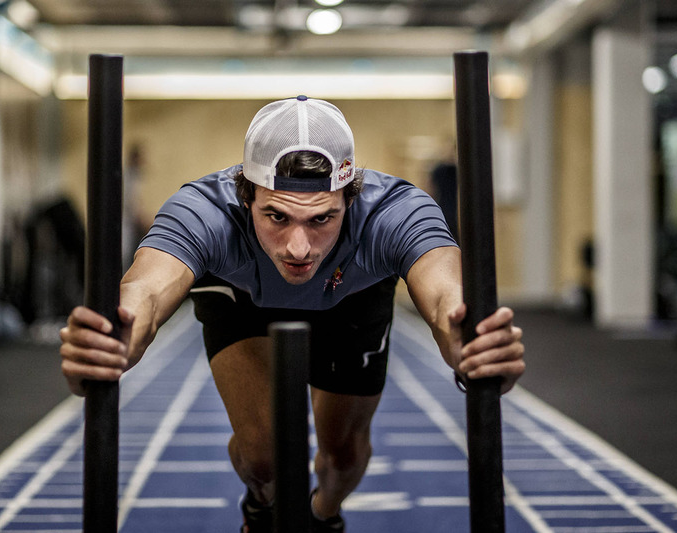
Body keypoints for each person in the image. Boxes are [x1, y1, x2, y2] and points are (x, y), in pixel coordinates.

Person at [60, 96, 525, 533]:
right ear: (245, 197)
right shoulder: (203, 211)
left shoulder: (394, 211)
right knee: (265, 458)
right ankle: (261, 505)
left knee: (342, 458)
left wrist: (467, 338)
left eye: (322, 218)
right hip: (241, 299)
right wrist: (118, 333)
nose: (298, 248)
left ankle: (323, 515)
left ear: (349, 197)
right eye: (277, 217)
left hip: (352, 297)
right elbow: (145, 290)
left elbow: (447, 294)